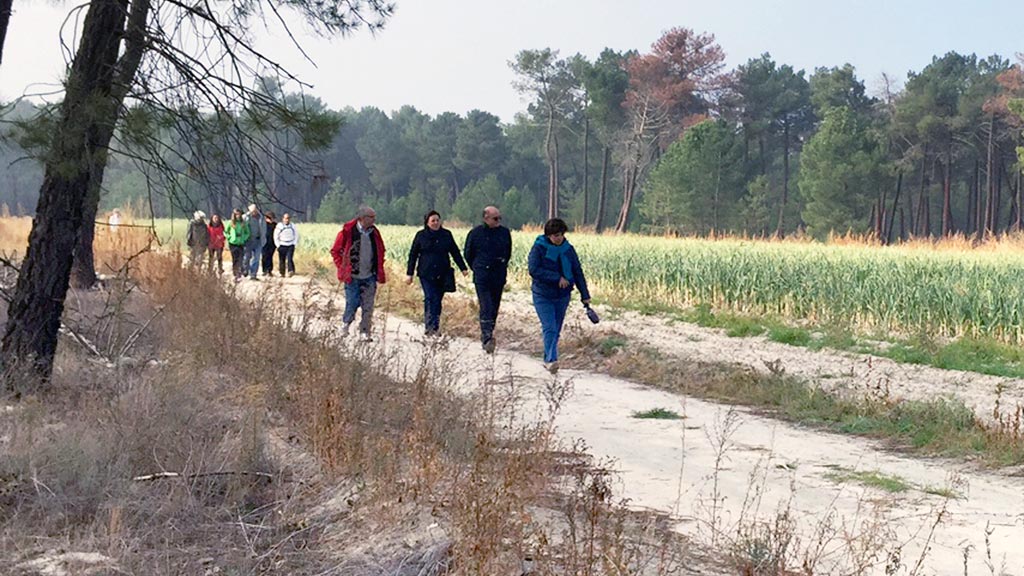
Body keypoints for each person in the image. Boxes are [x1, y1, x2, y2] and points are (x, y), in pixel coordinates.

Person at [528, 218, 591, 374]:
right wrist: (557, 278)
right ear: (548, 235)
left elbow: (577, 271)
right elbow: (534, 270)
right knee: (549, 327)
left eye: (561, 234)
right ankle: (551, 360)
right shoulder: (539, 248)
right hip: (542, 294)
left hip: (562, 295)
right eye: (555, 235)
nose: (559, 238)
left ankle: (548, 356)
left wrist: (585, 295)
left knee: (556, 329)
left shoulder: (568, 250)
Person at [406, 210, 469, 337]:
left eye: (437, 220)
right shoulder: (421, 236)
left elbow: (454, 252)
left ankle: (435, 326)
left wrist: (463, 268)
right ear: (427, 222)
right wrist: (409, 274)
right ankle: (429, 327)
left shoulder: (446, 235)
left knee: (437, 300)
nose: (435, 223)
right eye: (433, 221)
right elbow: (413, 255)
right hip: (426, 273)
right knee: (430, 297)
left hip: (443, 273)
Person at [330, 205, 387, 341]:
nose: (374, 220)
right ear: (362, 218)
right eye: (371, 217)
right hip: (352, 276)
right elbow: (335, 251)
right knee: (352, 302)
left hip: (369, 276)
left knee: (368, 305)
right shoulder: (347, 232)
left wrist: (378, 268)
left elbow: (381, 250)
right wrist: (342, 267)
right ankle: (345, 325)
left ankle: (364, 332)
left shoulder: (375, 233)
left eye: (374, 217)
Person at [464, 205, 512, 353]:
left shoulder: (504, 233)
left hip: (498, 275)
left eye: (499, 218)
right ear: (486, 218)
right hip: (482, 275)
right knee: (486, 305)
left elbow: (508, 252)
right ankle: (487, 337)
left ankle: (489, 331)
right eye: (495, 218)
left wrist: (502, 264)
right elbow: (468, 253)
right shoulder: (475, 233)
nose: (498, 221)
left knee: (494, 307)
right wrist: (478, 267)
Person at [225, 208, 250, 281]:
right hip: (233, 243)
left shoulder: (243, 223)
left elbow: (247, 232)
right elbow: (226, 232)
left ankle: (239, 273)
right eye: (236, 214)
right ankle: (235, 273)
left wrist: (244, 238)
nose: (238, 216)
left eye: (239, 214)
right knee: (235, 258)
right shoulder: (231, 223)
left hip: (240, 243)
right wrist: (229, 238)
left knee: (241, 258)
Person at [242, 203, 265, 280]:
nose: (254, 212)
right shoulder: (245, 217)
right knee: (247, 257)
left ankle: (253, 274)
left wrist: (263, 239)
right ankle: (245, 270)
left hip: (258, 240)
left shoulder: (261, 218)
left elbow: (264, 229)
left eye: (255, 210)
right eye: (252, 211)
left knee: (256, 258)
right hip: (248, 240)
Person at [274, 212, 299, 277]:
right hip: (282, 245)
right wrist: (278, 245)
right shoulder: (279, 226)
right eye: (285, 218)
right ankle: (282, 273)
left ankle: (290, 271)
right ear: (283, 219)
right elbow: (275, 236)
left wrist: (294, 243)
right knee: (282, 260)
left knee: (290, 258)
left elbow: (296, 235)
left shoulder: (292, 226)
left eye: (288, 218)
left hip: (290, 245)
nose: (286, 220)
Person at [261, 211, 277, 277]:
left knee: (270, 256)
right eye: (270, 218)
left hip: (272, 243)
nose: (271, 219)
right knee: (264, 256)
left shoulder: (275, 225)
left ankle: (269, 270)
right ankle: (264, 270)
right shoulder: (263, 224)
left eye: (272, 218)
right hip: (264, 242)